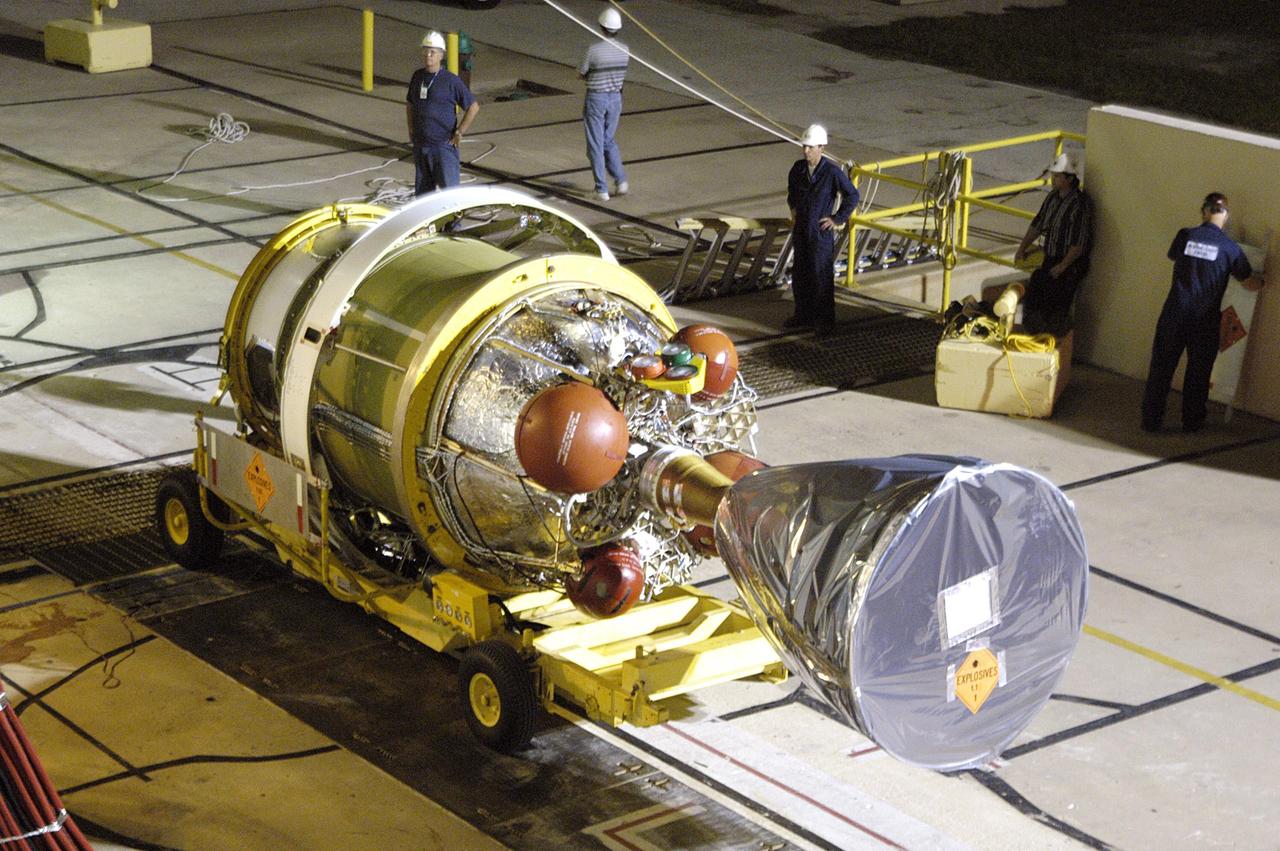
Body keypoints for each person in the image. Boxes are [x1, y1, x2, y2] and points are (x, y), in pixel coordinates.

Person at [1141, 193, 1264, 433]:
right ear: (1225, 216)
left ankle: (1151, 420)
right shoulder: (1230, 248)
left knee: (1161, 369)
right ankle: (1192, 421)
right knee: (1198, 373)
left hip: (1174, 313)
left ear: (1204, 211)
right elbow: (1248, 282)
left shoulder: (1186, 235)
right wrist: (1263, 282)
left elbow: (1173, 256)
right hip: (1204, 320)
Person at [785, 124, 859, 336]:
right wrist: (793, 209)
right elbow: (791, 193)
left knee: (821, 276)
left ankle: (825, 321)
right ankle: (803, 315)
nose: (806, 151)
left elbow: (852, 196)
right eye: (804, 146)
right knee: (800, 274)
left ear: (822, 148)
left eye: (810, 147)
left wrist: (837, 219)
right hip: (801, 230)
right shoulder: (797, 169)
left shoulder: (832, 172)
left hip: (820, 234)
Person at [1013, 152, 1092, 335]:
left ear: (1069, 179)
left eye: (1057, 176)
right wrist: (1022, 247)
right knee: (1037, 292)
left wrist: (1063, 266)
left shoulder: (1080, 205)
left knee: (1057, 303)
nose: (1053, 180)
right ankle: (1034, 333)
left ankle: (1053, 340)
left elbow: (1078, 242)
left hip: (1070, 265)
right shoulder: (1052, 198)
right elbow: (1038, 224)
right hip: (1052, 260)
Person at [406, 30, 479, 196]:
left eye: (433, 52)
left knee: (449, 194)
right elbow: (410, 104)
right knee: (423, 194)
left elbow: (473, 106)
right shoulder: (417, 77)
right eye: (425, 51)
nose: (428, 55)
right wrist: (411, 129)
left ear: (441, 55)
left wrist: (460, 132)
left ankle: (453, 223)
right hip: (421, 145)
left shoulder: (450, 81)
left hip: (443, 146)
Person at [579, 8, 630, 202]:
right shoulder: (625, 49)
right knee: (608, 140)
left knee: (595, 144)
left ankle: (601, 189)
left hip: (597, 98)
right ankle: (621, 181)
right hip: (616, 98)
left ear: (601, 27)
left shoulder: (594, 50)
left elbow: (580, 72)